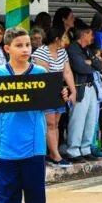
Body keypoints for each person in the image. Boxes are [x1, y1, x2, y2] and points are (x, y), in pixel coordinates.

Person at [0, 27, 70, 203]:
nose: (25, 49)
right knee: (7, 194)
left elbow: (54, 98)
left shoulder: (40, 73)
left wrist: (62, 94)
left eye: (28, 44)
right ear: (7, 49)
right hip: (6, 143)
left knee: (35, 192)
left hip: (35, 143)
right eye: (19, 45)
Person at [32, 27, 77, 168]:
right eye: (63, 37)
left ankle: (53, 153)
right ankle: (55, 156)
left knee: (55, 124)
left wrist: (73, 91)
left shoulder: (62, 52)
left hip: (58, 90)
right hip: (45, 91)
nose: (66, 40)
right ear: (56, 39)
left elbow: (67, 71)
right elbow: (46, 77)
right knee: (50, 123)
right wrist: (60, 89)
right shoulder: (41, 52)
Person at [66, 25, 102, 162]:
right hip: (79, 88)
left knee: (90, 120)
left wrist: (91, 62)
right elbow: (81, 68)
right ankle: (73, 150)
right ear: (83, 35)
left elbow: (101, 66)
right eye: (90, 34)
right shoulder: (72, 49)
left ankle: (86, 148)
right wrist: (92, 63)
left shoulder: (87, 50)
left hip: (91, 88)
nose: (92, 37)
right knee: (78, 120)